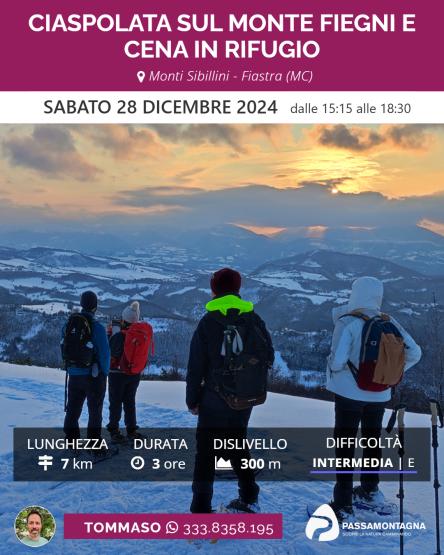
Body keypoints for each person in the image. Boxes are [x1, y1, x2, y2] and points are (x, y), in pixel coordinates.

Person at [326, 276, 422, 521]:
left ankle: (343, 503)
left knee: (345, 446)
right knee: (372, 441)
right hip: (380, 394)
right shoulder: (390, 322)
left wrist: (334, 368)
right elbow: (415, 353)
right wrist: (391, 374)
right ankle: (369, 491)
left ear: (354, 294)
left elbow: (337, 362)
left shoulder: (348, 322)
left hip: (348, 394)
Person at [186, 268, 274, 513]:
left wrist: (192, 400)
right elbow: (269, 356)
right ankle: (249, 496)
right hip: (245, 397)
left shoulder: (209, 322)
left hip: (214, 398)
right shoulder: (253, 318)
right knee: (237, 444)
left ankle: (201, 507)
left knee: (206, 453)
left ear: (214, 289)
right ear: (238, 289)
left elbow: (195, 367)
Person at [62, 291, 110, 441]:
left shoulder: (68, 324)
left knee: (73, 410)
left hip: (73, 374)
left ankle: (71, 440)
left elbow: (65, 346)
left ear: (81, 304)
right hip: (93, 376)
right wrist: (105, 373)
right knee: (95, 412)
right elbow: (104, 354)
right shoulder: (97, 328)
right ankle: (94, 445)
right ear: (95, 307)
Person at [106, 301, 154, 442]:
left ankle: (114, 431)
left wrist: (111, 334)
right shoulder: (139, 334)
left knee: (115, 402)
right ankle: (131, 430)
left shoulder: (119, 335)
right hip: (134, 373)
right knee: (129, 401)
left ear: (123, 319)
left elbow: (112, 354)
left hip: (117, 374)